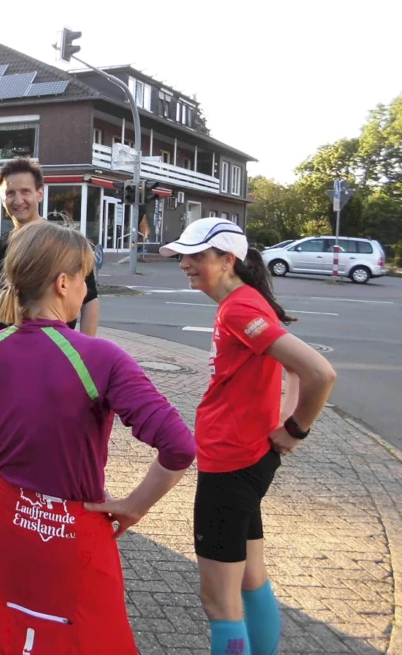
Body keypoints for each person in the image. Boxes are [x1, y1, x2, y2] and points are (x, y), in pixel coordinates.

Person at [0, 220, 196, 654]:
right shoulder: (102, 357)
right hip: (74, 534)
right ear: (63, 283)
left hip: (5, 523)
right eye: (84, 278)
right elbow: (180, 446)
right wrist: (135, 505)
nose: (86, 290)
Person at [160, 218, 336, 655]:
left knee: (219, 604)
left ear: (228, 259)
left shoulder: (239, 308)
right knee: (252, 578)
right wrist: (281, 422)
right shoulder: (247, 302)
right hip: (247, 459)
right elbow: (294, 368)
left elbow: (319, 372)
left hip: (231, 464)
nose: (185, 264)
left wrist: (295, 428)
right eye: (183, 255)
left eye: (197, 256)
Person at [0, 158, 99, 335]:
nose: (18, 200)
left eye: (25, 191)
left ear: (39, 194)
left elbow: (89, 301)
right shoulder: (1, 247)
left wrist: (85, 350)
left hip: (54, 351)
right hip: (8, 352)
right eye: (10, 193)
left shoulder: (63, 244)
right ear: (2, 198)